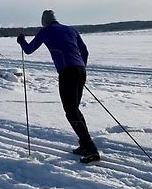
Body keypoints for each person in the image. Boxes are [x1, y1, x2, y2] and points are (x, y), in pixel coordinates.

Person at [17, 10, 100, 163]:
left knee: (71, 112)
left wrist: (21, 41)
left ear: (44, 21)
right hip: (80, 71)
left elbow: (29, 50)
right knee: (74, 110)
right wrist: (80, 66)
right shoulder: (71, 29)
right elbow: (85, 51)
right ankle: (84, 145)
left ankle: (92, 149)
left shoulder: (46, 31)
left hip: (67, 73)